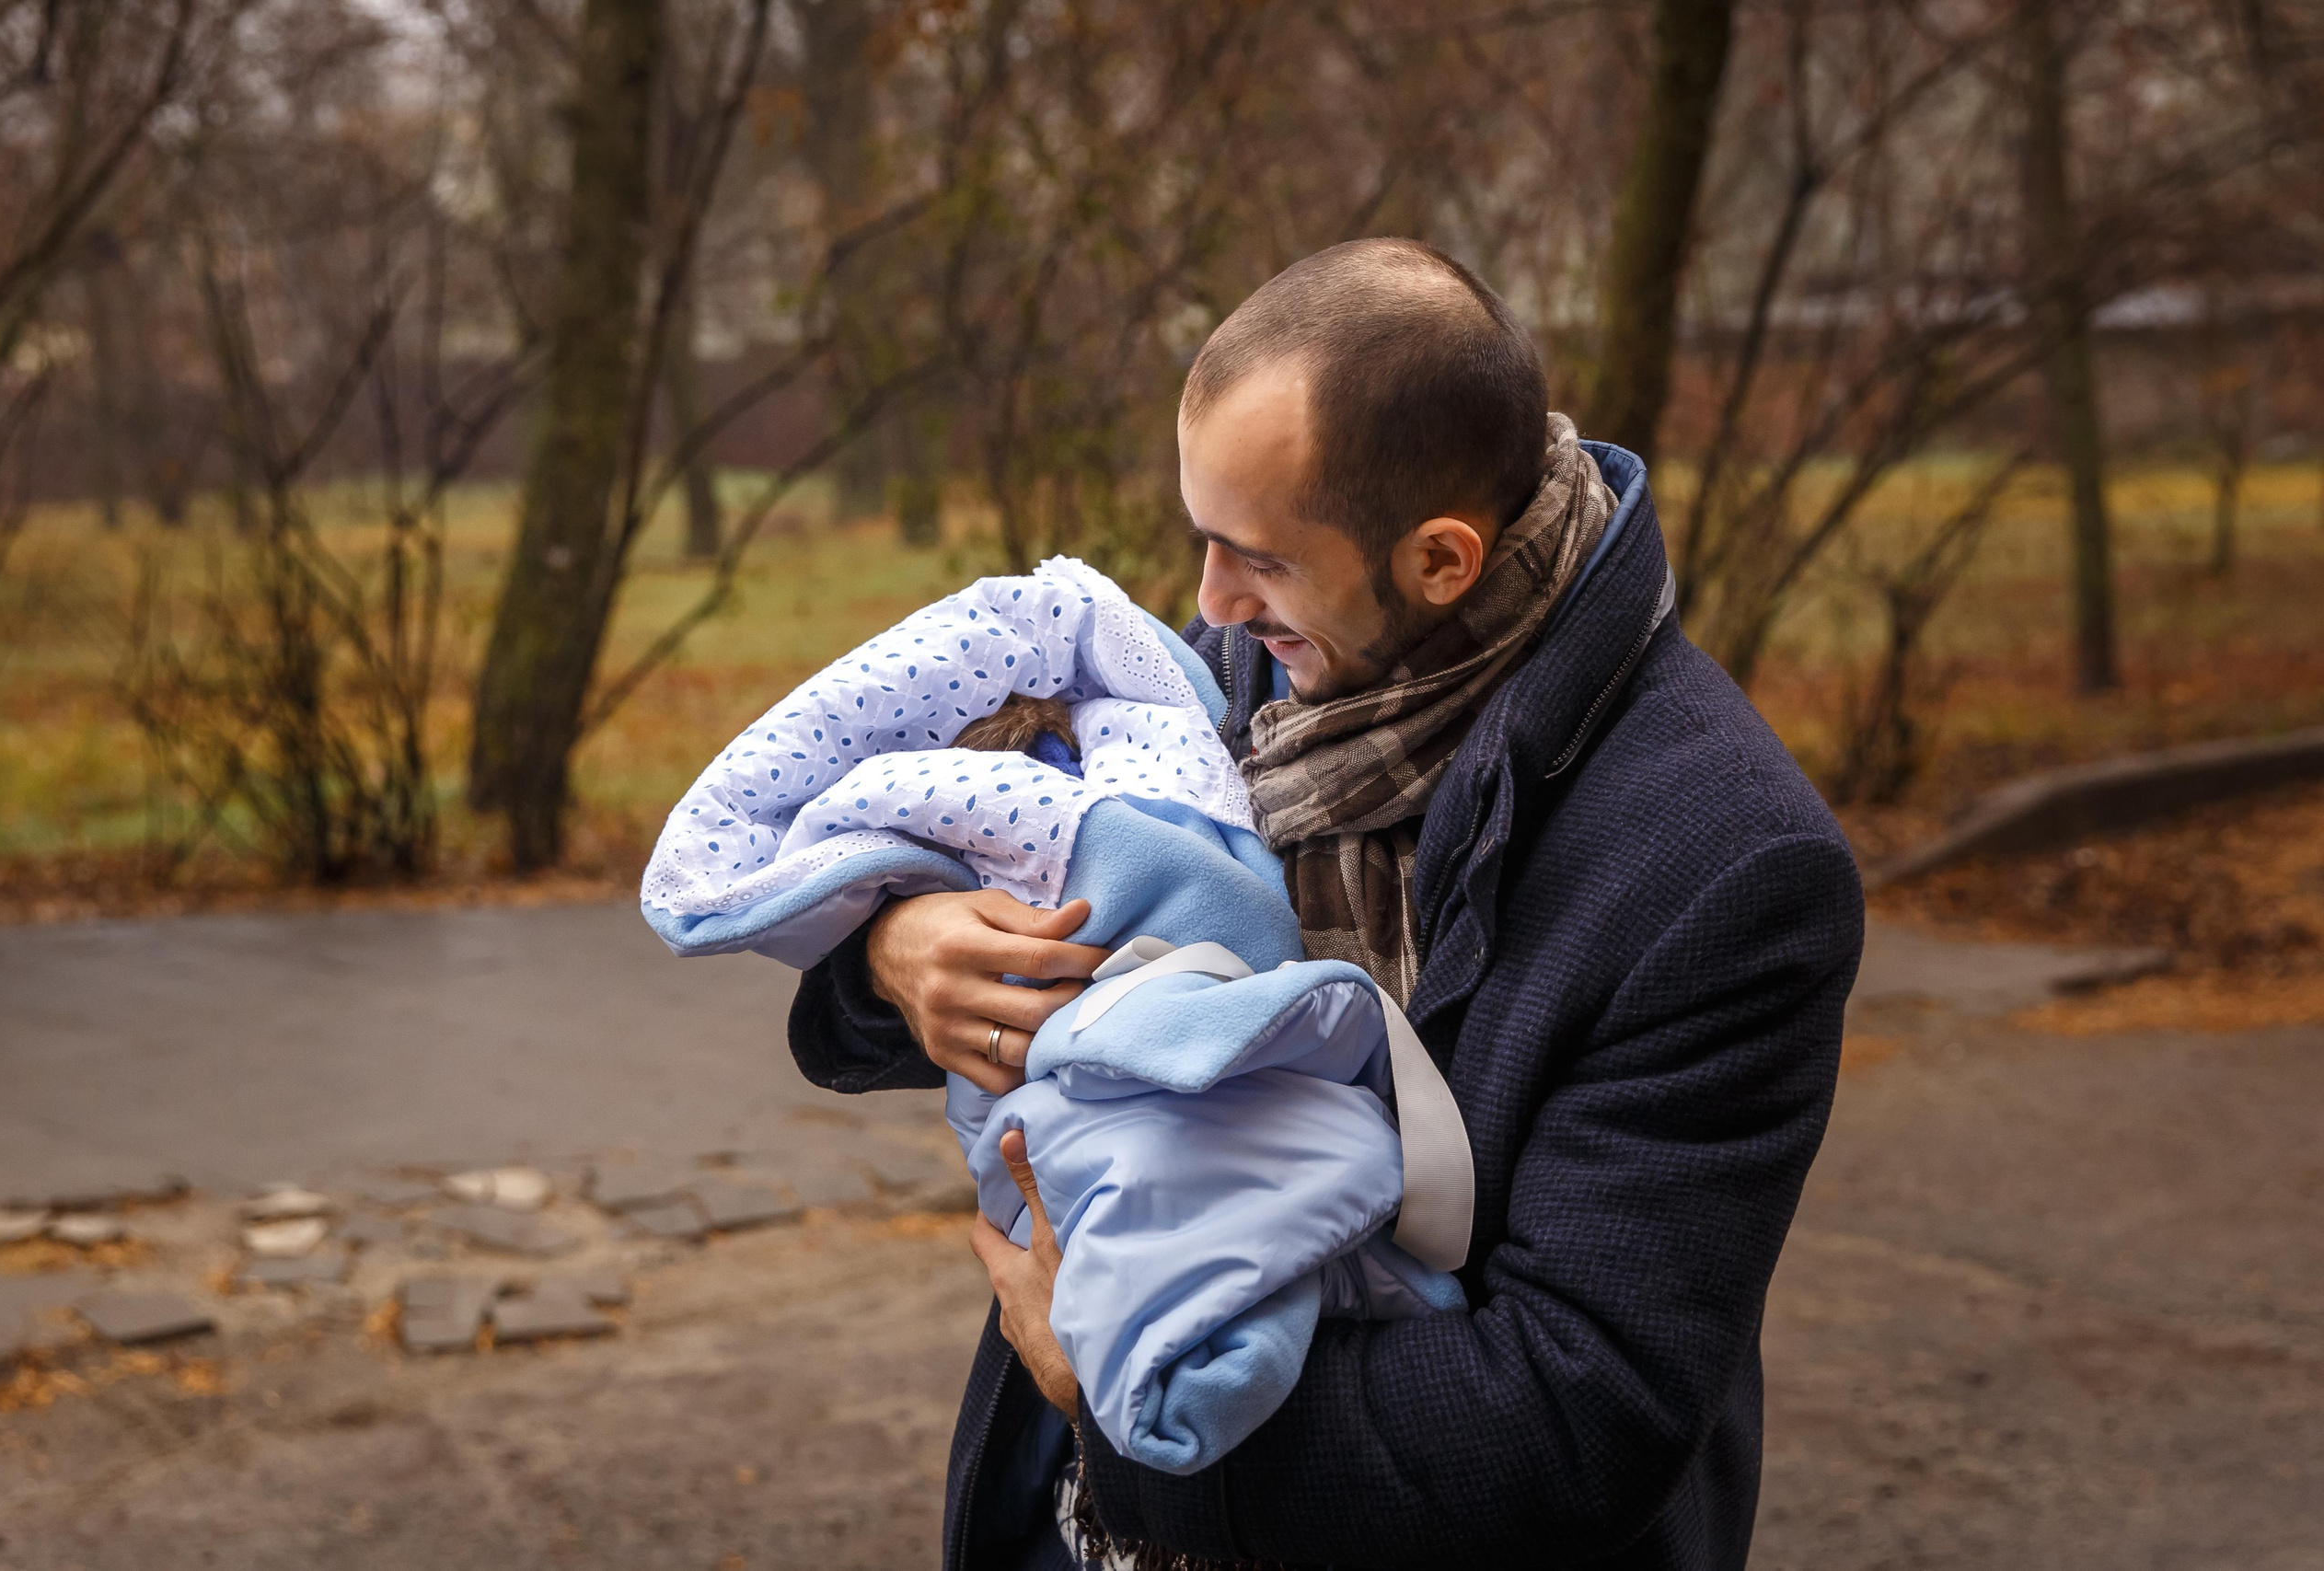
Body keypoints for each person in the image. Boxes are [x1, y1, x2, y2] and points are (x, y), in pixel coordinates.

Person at [786, 237, 1865, 1571]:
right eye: (1204, 542)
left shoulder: (1725, 865)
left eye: (1259, 562)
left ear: (1441, 561)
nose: (1209, 605)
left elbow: (1580, 1413)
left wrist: (1118, 1402)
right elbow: (956, 952)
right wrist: (900, 953)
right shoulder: (1248, 671)